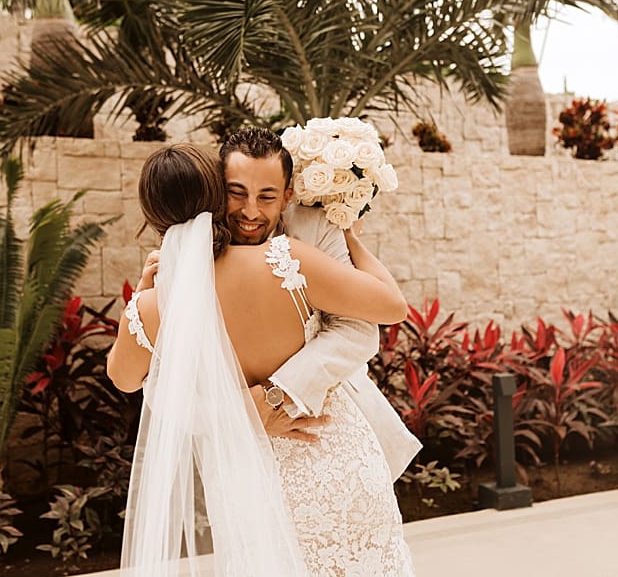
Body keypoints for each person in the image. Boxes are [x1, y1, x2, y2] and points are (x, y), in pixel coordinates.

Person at [106, 143, 413, 575]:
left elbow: (123, 378)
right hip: (335, 460)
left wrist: (143, 297)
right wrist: (347, 233)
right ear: (218, 196)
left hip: (247, 488)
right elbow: (391, 308)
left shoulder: (153, 309)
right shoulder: (286, 261)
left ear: (151, 216)